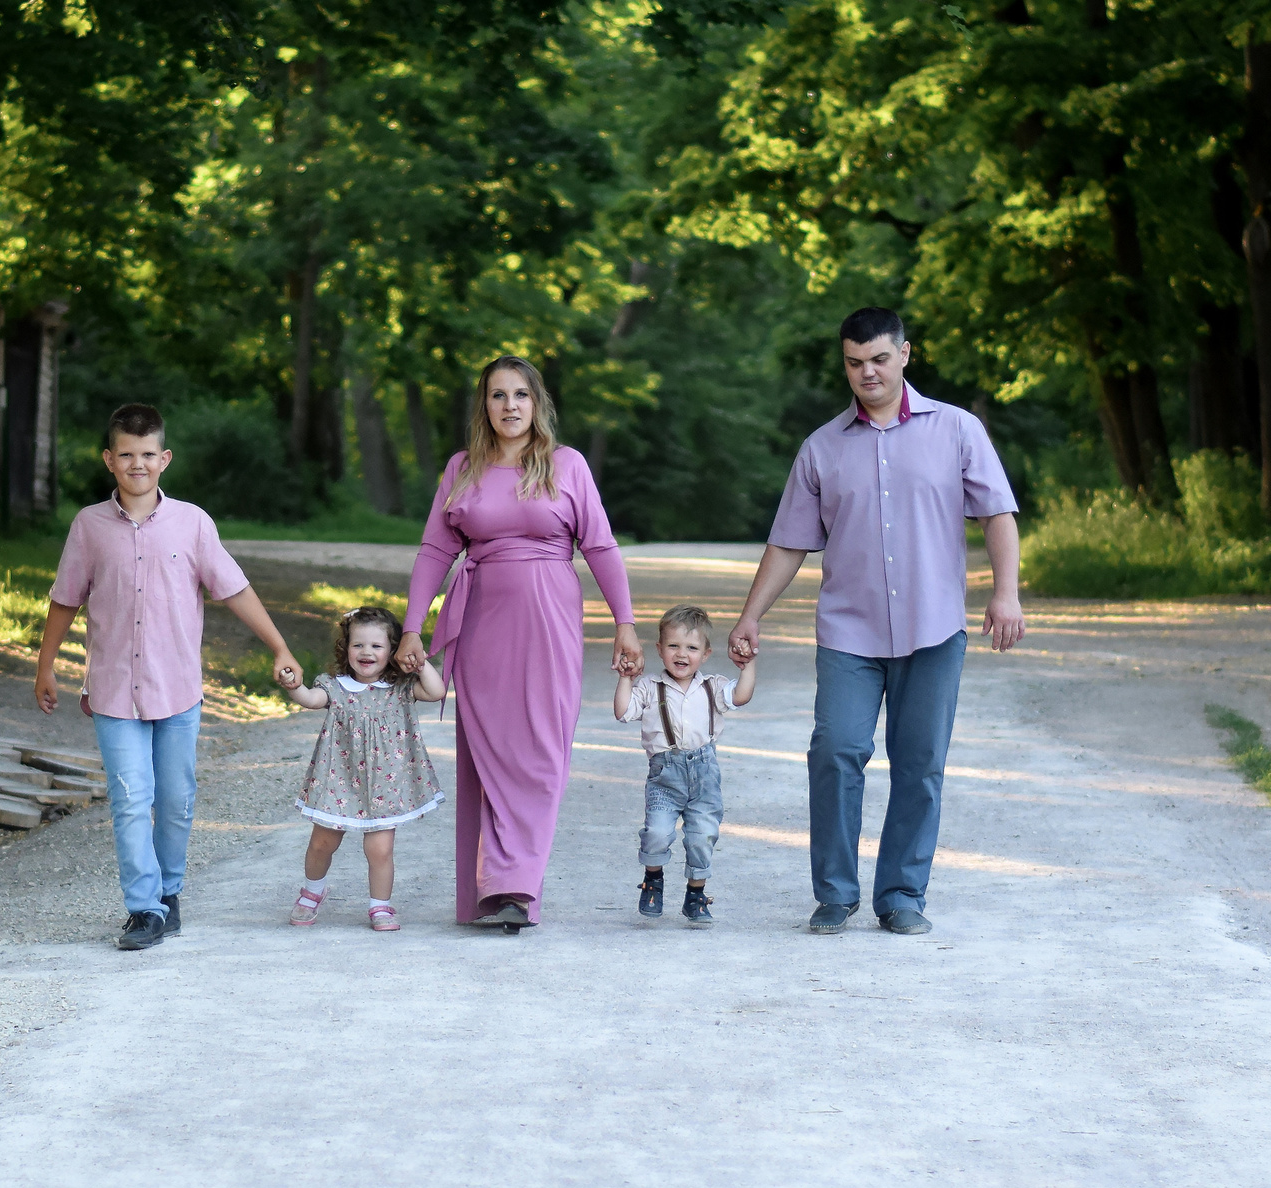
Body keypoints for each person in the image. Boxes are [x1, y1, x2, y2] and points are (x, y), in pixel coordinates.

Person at [727, 308, 1026, 935]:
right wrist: (751, 615)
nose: (868, 372)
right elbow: (789, 542)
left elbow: (997, 514)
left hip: (934, 628)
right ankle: (835, 894)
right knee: (835, 751)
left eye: (880, 359)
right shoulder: (822, 447)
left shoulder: (958, 429)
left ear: (905, 355)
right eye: (855, 362)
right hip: (849, 632)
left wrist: (1006, 594)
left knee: (920, 763)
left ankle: (902, 896)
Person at [35, 403, 302, 951]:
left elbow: (233, 589)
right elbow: (65, 599)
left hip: (178, 691)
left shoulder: (193, 523)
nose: (137, 464)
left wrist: (279, 646)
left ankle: (169, 893)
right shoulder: (89, 526)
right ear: (109, 460)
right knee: (131, 799)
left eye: (147, 454)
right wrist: (46, 667)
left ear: (165, 459)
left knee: (176, 799)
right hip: (113, 691)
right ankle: (143, 909)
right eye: (126, 455)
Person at [393, 356, 644, 931]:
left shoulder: (566, 464)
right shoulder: (462, 468)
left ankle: (517, 883)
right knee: (491, 752)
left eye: (521, 395)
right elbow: (435, 550)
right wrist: (412, 627)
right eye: (498, 395)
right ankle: (498, 889)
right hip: (482, 622)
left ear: (538, 403)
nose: (510, 406)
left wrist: (625, 622)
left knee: (541, 752)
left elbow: (600, 546)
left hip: (550, 620)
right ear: (484, 405)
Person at [284, 604, 447, 932]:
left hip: (385, 785)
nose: (366, 652)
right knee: (322, 842)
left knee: (380, 849)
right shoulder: (336, 686)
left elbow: (436, 691)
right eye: (358, 644)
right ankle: (312, 892)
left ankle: (380, 905)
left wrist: (420, 661)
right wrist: (293, 686)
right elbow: (311, 699)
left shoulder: (401, 689)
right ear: (346, 648)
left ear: (393, 650)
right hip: (339, 780)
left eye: (376, 645)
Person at [614, 603, 758, 924]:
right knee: (657, 832)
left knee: (702, 835)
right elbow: (623, 712)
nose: (682, 654)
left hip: (704, 773)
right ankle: (653, 879)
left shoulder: (712, 686)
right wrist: (626, 679)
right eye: (673, 646)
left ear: (705, 654)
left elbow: (741, 696)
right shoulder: (650, 687)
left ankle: (696, 894)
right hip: (665, 774)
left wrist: (747, 666)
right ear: (659, 649)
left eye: (692, 648)